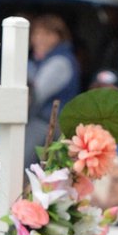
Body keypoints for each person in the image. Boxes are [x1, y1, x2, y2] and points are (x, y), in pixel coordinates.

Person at [24, 13, 80, 164]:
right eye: (36, 33)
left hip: (50, 124)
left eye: (47, 34)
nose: (40, 38)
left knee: (17, 161)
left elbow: (35, 95)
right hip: (40, 122)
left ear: (59, 37)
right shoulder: (37, 60)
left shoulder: (60, 62)